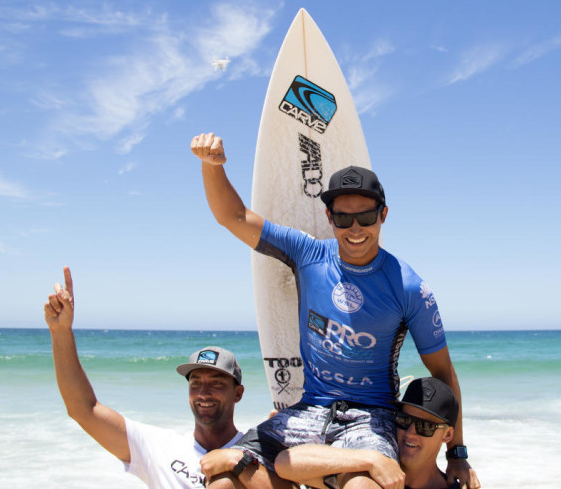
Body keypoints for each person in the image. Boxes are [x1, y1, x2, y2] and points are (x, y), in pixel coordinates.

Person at [190, 133, 479, 489]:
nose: (355, 229)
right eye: (343, 219)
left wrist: (458, 455)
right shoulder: (307, 254)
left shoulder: (408, 287)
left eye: (366, 217)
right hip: (308, 410)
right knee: (221, 480)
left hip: (371, 420)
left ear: (383, 215)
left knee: (362, 486)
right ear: (329, 217)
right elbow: (233, 216)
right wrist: (211, 166)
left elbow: (443, 374)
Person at [44, 266, 246, 488]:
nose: (203, 393)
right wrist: (61, 332)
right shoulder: (159, 448)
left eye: (216, 383)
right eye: (195, 383)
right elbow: (84, 410)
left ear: (237, 393)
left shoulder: (255, 452)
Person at [272, 377, 465, 489]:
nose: (411, 433)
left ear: (447, 435)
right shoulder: (371, 472)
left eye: (425, 427)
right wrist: (371, 460)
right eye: (404, 421)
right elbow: (286, 462)